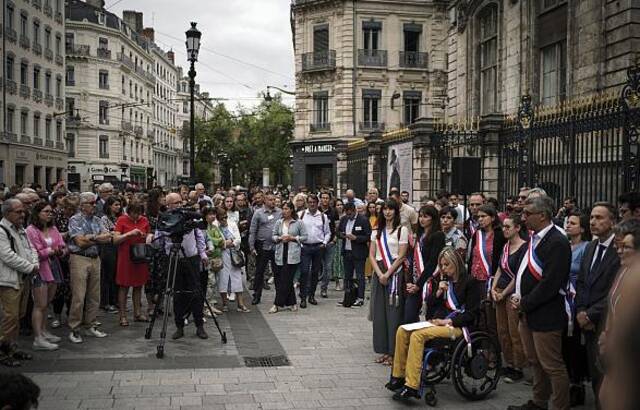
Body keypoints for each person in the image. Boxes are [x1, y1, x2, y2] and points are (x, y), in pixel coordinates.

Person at [386, 247, 483, 402]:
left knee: (418, 335)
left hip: (458, 327)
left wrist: (447, 321)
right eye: (442, 265)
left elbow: (471, 314)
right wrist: (438, 292)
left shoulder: (470, 282)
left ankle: (412, 385)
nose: (443, 268)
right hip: (440, 323)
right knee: (402, 330)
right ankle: (398, 376)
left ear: (456, 263)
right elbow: (430, 303)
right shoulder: (445, 281)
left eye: (447, 265)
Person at [508, 196, 571, 410]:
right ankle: (538, 401)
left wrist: (525, 302)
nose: (523, 218)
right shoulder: (536, 238)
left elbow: (550, 284)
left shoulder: (557, 241)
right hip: (528, 313)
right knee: (535, 361)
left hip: (546, 314)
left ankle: (560, 406)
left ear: (542, 215)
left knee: (552, 365)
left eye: (527, 214)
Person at [575, 202, 620, 408]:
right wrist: (581, 311)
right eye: (592, 217)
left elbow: (616, 288)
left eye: (599, 218)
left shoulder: (620, 249)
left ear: (613, 221)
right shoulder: (591, 246)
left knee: (610, 376)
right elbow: (582, 282)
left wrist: (591, 315)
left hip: (608, 322)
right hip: (587, 321)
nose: (593, 222)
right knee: (595, 374)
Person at [598, 219, 640, 410]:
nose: (620, 251)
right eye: (619, 246)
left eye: (627, 246)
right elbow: (612, 305)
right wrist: (607, 333)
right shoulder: (623, 272)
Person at [157, 193, 209, 340]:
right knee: (177, 293)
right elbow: (159, 240)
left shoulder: (188, 216)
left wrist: (203, 254)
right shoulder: (165, 218)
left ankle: (199, 325)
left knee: (196, 291)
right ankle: (179, 326)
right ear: (168, 205)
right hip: (174, 258)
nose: (179, 205)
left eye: (181, 202)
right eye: (176, 203)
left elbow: (199, 236)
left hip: (191, 258)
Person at [67, 192, 113, 344]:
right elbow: (79, 242)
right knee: (79, 296)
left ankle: (90, 324)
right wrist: (97, 238)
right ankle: (74, 328)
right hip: (79, 258)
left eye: (94, 203)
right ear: (82, 205)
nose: (95, 205)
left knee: (95, 295)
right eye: (91, 203)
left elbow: (107, 238)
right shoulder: (75, 219)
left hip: (95, 258)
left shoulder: (97, 219)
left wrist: (90, 238)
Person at [0, 199, 39, 367]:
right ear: (7, 213)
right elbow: (7, 255)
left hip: (23, 279)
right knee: (10, 318)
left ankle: (12, 347)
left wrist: (34, 263)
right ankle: (3, 351)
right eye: (18, 212)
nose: (23, 214)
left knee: (19, 316)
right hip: (9, 280)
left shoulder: (20, 229)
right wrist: (30, 267)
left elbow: (31, 249)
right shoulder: (2, 230)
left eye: (23, 211)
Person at [370, 199, 408, 367]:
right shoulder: (376, 230)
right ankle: (384, 350)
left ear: (395, 211)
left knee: (394, 314)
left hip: (395, 273)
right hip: (379, 272)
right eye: (384, 209)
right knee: (380, 313)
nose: (387, 212)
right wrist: (380, 274)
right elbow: (371, 254)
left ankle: (394, 352)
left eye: (390, 209)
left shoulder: (402, 230)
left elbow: (402, 256)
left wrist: (388, 273)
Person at [490, 213, 527, 383]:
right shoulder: (505, 247)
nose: (504, 230)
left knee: (514, 331)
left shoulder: (524, 247)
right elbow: (499, 269)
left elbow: (517, 275)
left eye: (508, 227)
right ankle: (509, 362)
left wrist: (504, 293)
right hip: (499, 290)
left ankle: (518, 366)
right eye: (503, 227)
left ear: (518, 228)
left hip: (511, 293)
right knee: (502, 330)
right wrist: (493, 288)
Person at [26, 201, 66, 351]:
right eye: (46, 211)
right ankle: (38, 337)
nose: (49, 214)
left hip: (54, 266)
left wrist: (61, 250)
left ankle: (43, 330)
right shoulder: (31, 230)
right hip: (40, 268)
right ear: (37, 213)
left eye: (51, 212)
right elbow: (35, 251)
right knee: (40, 304)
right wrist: (51, 251)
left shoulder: (53, 228)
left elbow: (61, 245)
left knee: (47, 303)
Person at [563, 211, 591, 405]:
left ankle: (577, 384)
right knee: (563, 343)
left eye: (573, 223)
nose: (568, 225)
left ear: (582, 228)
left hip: (575, 301)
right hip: (562, 300)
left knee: (575, 346)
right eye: (567, 222)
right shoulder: (565, 246)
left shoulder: (586, 248)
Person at [112, 200, 153, 326]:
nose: (136, 216)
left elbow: (148, 233)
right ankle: (123, 315)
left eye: (139, 213)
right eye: (134, 213)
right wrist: (129, 234)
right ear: (129, 212)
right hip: (125, 257)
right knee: (124, 286)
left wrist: (149, 236)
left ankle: (137, 313)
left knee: (138, 285)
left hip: (140, 256)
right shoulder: (121, 220)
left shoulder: (144, 220)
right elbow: (115, 240)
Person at [407, 205, 446, 323]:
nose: (422, 219)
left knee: (430, 317)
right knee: (409, 316)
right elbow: (413, 259)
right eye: (420, 216)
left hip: (429, 280)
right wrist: (410, 281)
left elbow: (433, 262)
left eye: (426, 216)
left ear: (433, 219)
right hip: (415, 280)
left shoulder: (438, 235)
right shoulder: (419, 236)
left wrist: (419, 284)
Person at [271, 202, 307, 312]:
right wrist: (279, 238)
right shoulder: (279, 222)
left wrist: (293, 238)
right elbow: (273, 236)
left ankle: (277, 304)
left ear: (291, 210)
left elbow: (305, 237)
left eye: (287, 209)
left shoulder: (298, 222)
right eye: (283, 209)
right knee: (285, 279)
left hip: (293, 253)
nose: (284, 211)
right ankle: (292, 302)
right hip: (281, 252)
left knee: (285, 279)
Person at [248, 192, 281, 305]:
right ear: (265, 201)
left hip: (276, 246)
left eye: (274, 200)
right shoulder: (258, 213)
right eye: (270, 200)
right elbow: (252, 231)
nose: (273, 202)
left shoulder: (280, 212)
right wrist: (251, 246)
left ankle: (279, 296)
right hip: (262, 245)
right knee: (260, 271)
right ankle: (257, 295)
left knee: (277, 271)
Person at [298, 194, 331, 308]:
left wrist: (324, 243)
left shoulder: (323, 216)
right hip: (305, 247)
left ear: (317, 203)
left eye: (314, 202)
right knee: (304, 271)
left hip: (318, 247)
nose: (312, 204)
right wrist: (300, 243)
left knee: (315, 272)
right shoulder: (301, 215)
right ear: (307, 203)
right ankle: (303, 296)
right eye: (310, 202)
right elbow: (296, 231)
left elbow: (327, 232)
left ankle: (311, 295)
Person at [51, 195, 78, 328]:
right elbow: (51, 234)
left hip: (73, 254)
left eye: (73, 208)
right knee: (59, 287)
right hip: (59, 255)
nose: (71, 211)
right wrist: (67, 234)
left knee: (72, 288)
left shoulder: (77, 216)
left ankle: (70, 315)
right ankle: (56, 316)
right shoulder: (56, 215)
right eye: (68, 208)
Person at [216, 206, 250, 313]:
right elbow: (216, 242)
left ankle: (240, 304)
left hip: (234, 254)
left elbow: (238, 238)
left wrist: (232, 243)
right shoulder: (215, 226)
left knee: (237, 278)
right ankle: (225, 303)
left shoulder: (232, 224)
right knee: (223, 278)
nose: (224, 220)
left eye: (225, 217)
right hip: (222, 255)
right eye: (222, 218)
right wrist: (225, 244)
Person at [337, 202, 371, 307]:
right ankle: (348, 297)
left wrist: (356, 238)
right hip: (347, 251)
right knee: (347, 276)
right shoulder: (343, 219)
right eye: (347, 214)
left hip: (359, 252)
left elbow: (368, 236)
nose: (349, 216)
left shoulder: (363, 220)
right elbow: (337, 232)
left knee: (360, 276)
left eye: (350, 214)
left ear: (355, 211)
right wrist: (343, 235)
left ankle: (360, 297)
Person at [99, 196, 121, 314]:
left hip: (119, 248)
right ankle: (105, 302)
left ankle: (115, 300)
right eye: (115, 205)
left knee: (116, 275)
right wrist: (116, 233)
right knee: (107, 276)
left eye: (119, 205)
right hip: (108, 249)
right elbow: (105, 233)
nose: (118, 207)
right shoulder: (104, 218)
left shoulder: (120, 218)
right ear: (109, 206)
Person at [318, 191, 339, 299]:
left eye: (327, 198)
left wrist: (334, 239)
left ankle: (324, 288)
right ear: (320, 199)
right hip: (318, 243)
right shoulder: (316, 211)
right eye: (323, 198)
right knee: (314, 267)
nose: (325, 200)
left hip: (330, 243)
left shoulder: (333, 212)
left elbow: (336, 227)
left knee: (328, 267)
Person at [332, 198, 345, 290]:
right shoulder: (333, 216)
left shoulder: (346, 216)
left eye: (341, 204)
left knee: (343, 261)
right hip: (335, 241)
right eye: (338, 205)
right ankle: (337, 282)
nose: (339, 206)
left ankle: (344, 281)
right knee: (336, 261)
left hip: (344, 240)